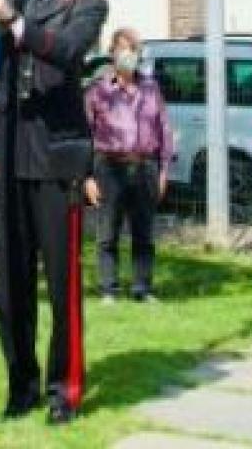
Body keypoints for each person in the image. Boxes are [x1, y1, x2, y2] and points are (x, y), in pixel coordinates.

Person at [0, 0, 108, 425]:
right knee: (8, 281)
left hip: (55, 156)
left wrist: (17, 22)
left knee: (61, 281)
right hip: (6, 151)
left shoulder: (89, 1)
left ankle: (63, 388)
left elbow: (67, 49)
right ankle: (21, 382)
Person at [85, 26, 174, 303]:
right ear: (112, 52)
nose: (128, 55)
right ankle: (108, 289)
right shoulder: (98, 91)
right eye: (123, 48)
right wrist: (87, 176)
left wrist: (163, 171)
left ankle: (142, 288)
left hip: (145, 166)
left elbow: (164, 130)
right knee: (107, 232)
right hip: (109, 167)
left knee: (144, 233)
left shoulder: (150, 88)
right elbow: (84, 135)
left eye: (133, 50)